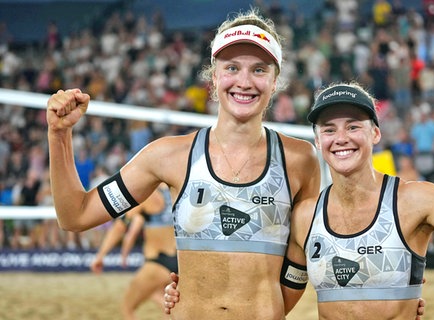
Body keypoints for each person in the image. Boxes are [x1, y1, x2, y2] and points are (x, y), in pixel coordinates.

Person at [165, 82, 434, 319]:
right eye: (329, 129)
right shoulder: (305, 218)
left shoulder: (416, 201)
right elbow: (275, 300)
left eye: (353, 125)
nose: (341, 138)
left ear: (375, 132)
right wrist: (195, 291)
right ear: (317, 139)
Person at [46, 8, 322, 320]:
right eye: (232, 67)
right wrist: (59, 135)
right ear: (214, 76)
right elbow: (76, 215)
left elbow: (298, 263)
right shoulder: (168, 156)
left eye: (259, 70)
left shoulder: (301, 159)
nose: (244, 81)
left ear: (275, 82)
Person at [90, 183, 176, 320]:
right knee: (169, 307)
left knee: (127, 308)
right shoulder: (176, 191)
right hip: (179, 263)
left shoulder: (148, 196)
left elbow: (120, 228)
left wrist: (100, 256)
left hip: (157, 263)